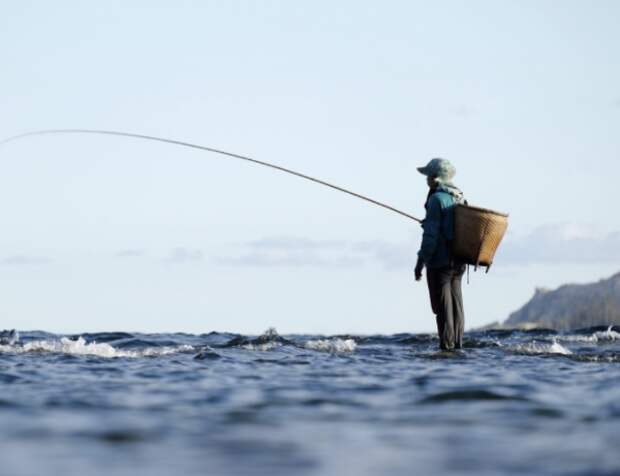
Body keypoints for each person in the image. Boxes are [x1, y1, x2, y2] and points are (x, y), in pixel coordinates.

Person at [414, 158, 466, 351]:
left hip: (441, 262)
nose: (426, 179)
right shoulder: (459, 196)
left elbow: (430, 238)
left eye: (428, 176)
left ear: (435, 178)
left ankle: (446, 348)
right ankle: (458, 347)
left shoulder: (436, 199)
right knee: (456, 305)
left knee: (443, 309)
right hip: (460, 261)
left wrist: (420, 262)